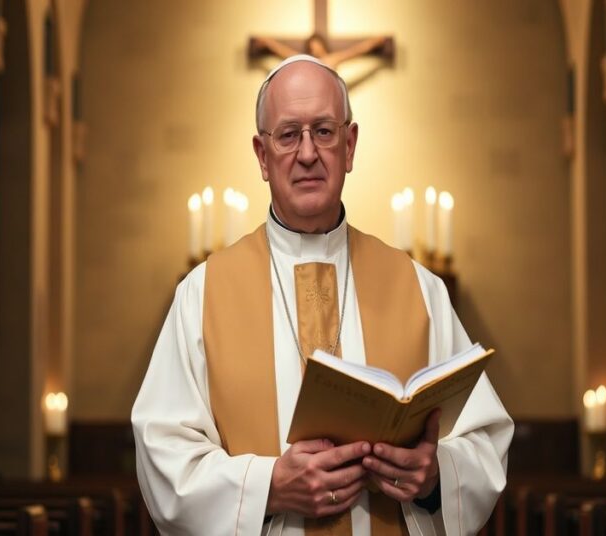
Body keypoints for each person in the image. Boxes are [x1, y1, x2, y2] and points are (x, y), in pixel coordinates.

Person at [132, 55, 513, 535]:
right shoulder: (202, 294)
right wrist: (268, 485)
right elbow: (162, 452)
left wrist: (435, 475)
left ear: (350, 146)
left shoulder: (419, 287)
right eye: (288, 135)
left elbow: (486, 439)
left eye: (324, 132)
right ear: (261, 156)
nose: (307, 153)